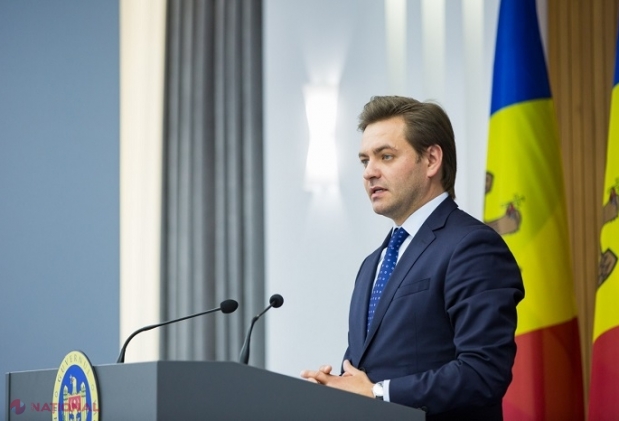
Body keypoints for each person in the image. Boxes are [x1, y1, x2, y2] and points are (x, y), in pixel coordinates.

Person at [301, 96, 524, 420]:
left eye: (386, 156)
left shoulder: (472, 246)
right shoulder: (372, 264)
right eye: (364, 161)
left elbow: (483, 373)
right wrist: (335, 387)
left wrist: (378, 393)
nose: (369, 172)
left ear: (431, 160)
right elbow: (366, 374)